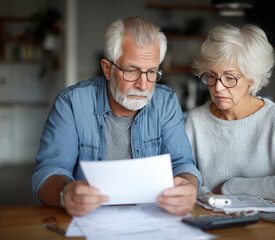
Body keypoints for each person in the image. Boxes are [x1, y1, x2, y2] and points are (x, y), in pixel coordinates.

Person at [31, 16, 202, 217]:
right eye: (131, 71)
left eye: (152, 72)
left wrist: (188, 185)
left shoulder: (166, 102)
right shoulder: (71, 103)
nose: (143, 85)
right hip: (89, 221)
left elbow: (182, 164)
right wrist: (65, 194)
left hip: (153, 220)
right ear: (107, 69)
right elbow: (48, 172)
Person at [185, 23, 275, 202]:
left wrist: (230, 187)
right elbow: (184, 178)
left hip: (264, 224)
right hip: (209, 219)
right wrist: (204, 194)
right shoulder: (195, 120)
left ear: (251, 78)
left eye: (230, 77)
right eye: (211, 76)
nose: (218, 87)